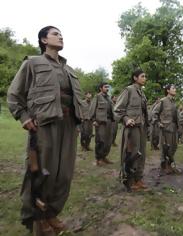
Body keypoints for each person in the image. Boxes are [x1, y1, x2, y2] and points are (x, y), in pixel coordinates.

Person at [7, 26, 87, 234]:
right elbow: (14, 95)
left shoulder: (69, 70)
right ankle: (37, 218)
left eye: (61, 34)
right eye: (55, 34)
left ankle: (51, 212)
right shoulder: (32, 63)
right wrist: (24, 118)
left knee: (64, 174)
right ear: (44, 39)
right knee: (42, 172)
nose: (60, 36)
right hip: (44, 125)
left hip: (69, 125)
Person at [114, 69, 148, 191]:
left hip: (141, 128)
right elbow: (117, 110)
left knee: (141, 154)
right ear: (135, 78)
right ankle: (129, 180)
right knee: (131, 155)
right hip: (131, 128)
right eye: (142, 76)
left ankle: (138, 178)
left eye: (145, 76)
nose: (145, 78)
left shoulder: (142, 93)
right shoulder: (128, 90)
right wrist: (126, 119)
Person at [152, 84, 179, 174]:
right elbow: (154, 113)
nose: (175, 90)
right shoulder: (163, 101)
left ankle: (170, 164)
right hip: (165, 128)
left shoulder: (173, 102)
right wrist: (158, 122)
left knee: (173, 147)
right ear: (168, 90)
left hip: (173, 128)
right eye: (173, 88)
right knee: (166, 147)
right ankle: (165, 165)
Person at [89, 82, 114, 166]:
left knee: (108, 141)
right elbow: (92, 109)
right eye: (105, 87)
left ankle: (104, 157)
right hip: (100, 123)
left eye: (108, 87)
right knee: (100, 141)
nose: (107, 88)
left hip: (109, 122)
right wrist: (93, 120)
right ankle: (98, 159)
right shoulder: (97, 97)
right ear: (100, 88)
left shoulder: (109, 98)